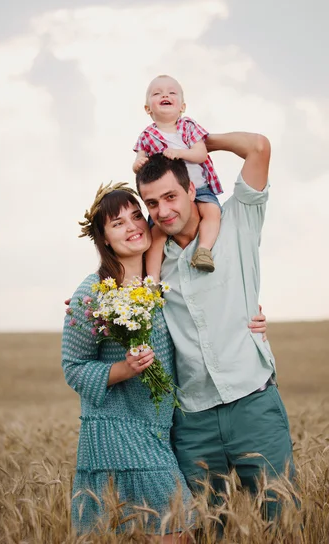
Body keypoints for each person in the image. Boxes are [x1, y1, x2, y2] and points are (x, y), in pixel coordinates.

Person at [61, 182, 268, 539]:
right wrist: (124, 369)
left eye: (136, 215)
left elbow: (201, 317)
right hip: (118, 430)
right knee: (180, 531)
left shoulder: (160, 283)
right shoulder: (92, 292)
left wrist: (251, 318)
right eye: (118, 223)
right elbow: (73, 368)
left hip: (161, 429)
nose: (132, 226)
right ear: (104, 239)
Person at [135, 133, 295, 521]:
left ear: (193, 189)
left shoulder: (237, 222)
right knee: (209, 529)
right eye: (152, 203)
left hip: (253, 403)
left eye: (171, 196)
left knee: (284, 521)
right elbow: (112, 286)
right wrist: (89, 306)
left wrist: (203, 140)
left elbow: (258, 147)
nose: (163, 211)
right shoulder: (150, 263)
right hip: (193, 421)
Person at [133, 75, 222, 277]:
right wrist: (138, 163)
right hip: (169, 192)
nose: (165, 95)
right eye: (157, 93)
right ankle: (152, 280)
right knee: (156, 234)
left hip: (199, 188)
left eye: (172, 92)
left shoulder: (189, 127)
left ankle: (204, 250)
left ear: (182, 106)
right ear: (148, 109)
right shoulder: (147, 135)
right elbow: (139, 159)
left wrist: (180, 153)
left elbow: (201, 154)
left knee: (212, 213)